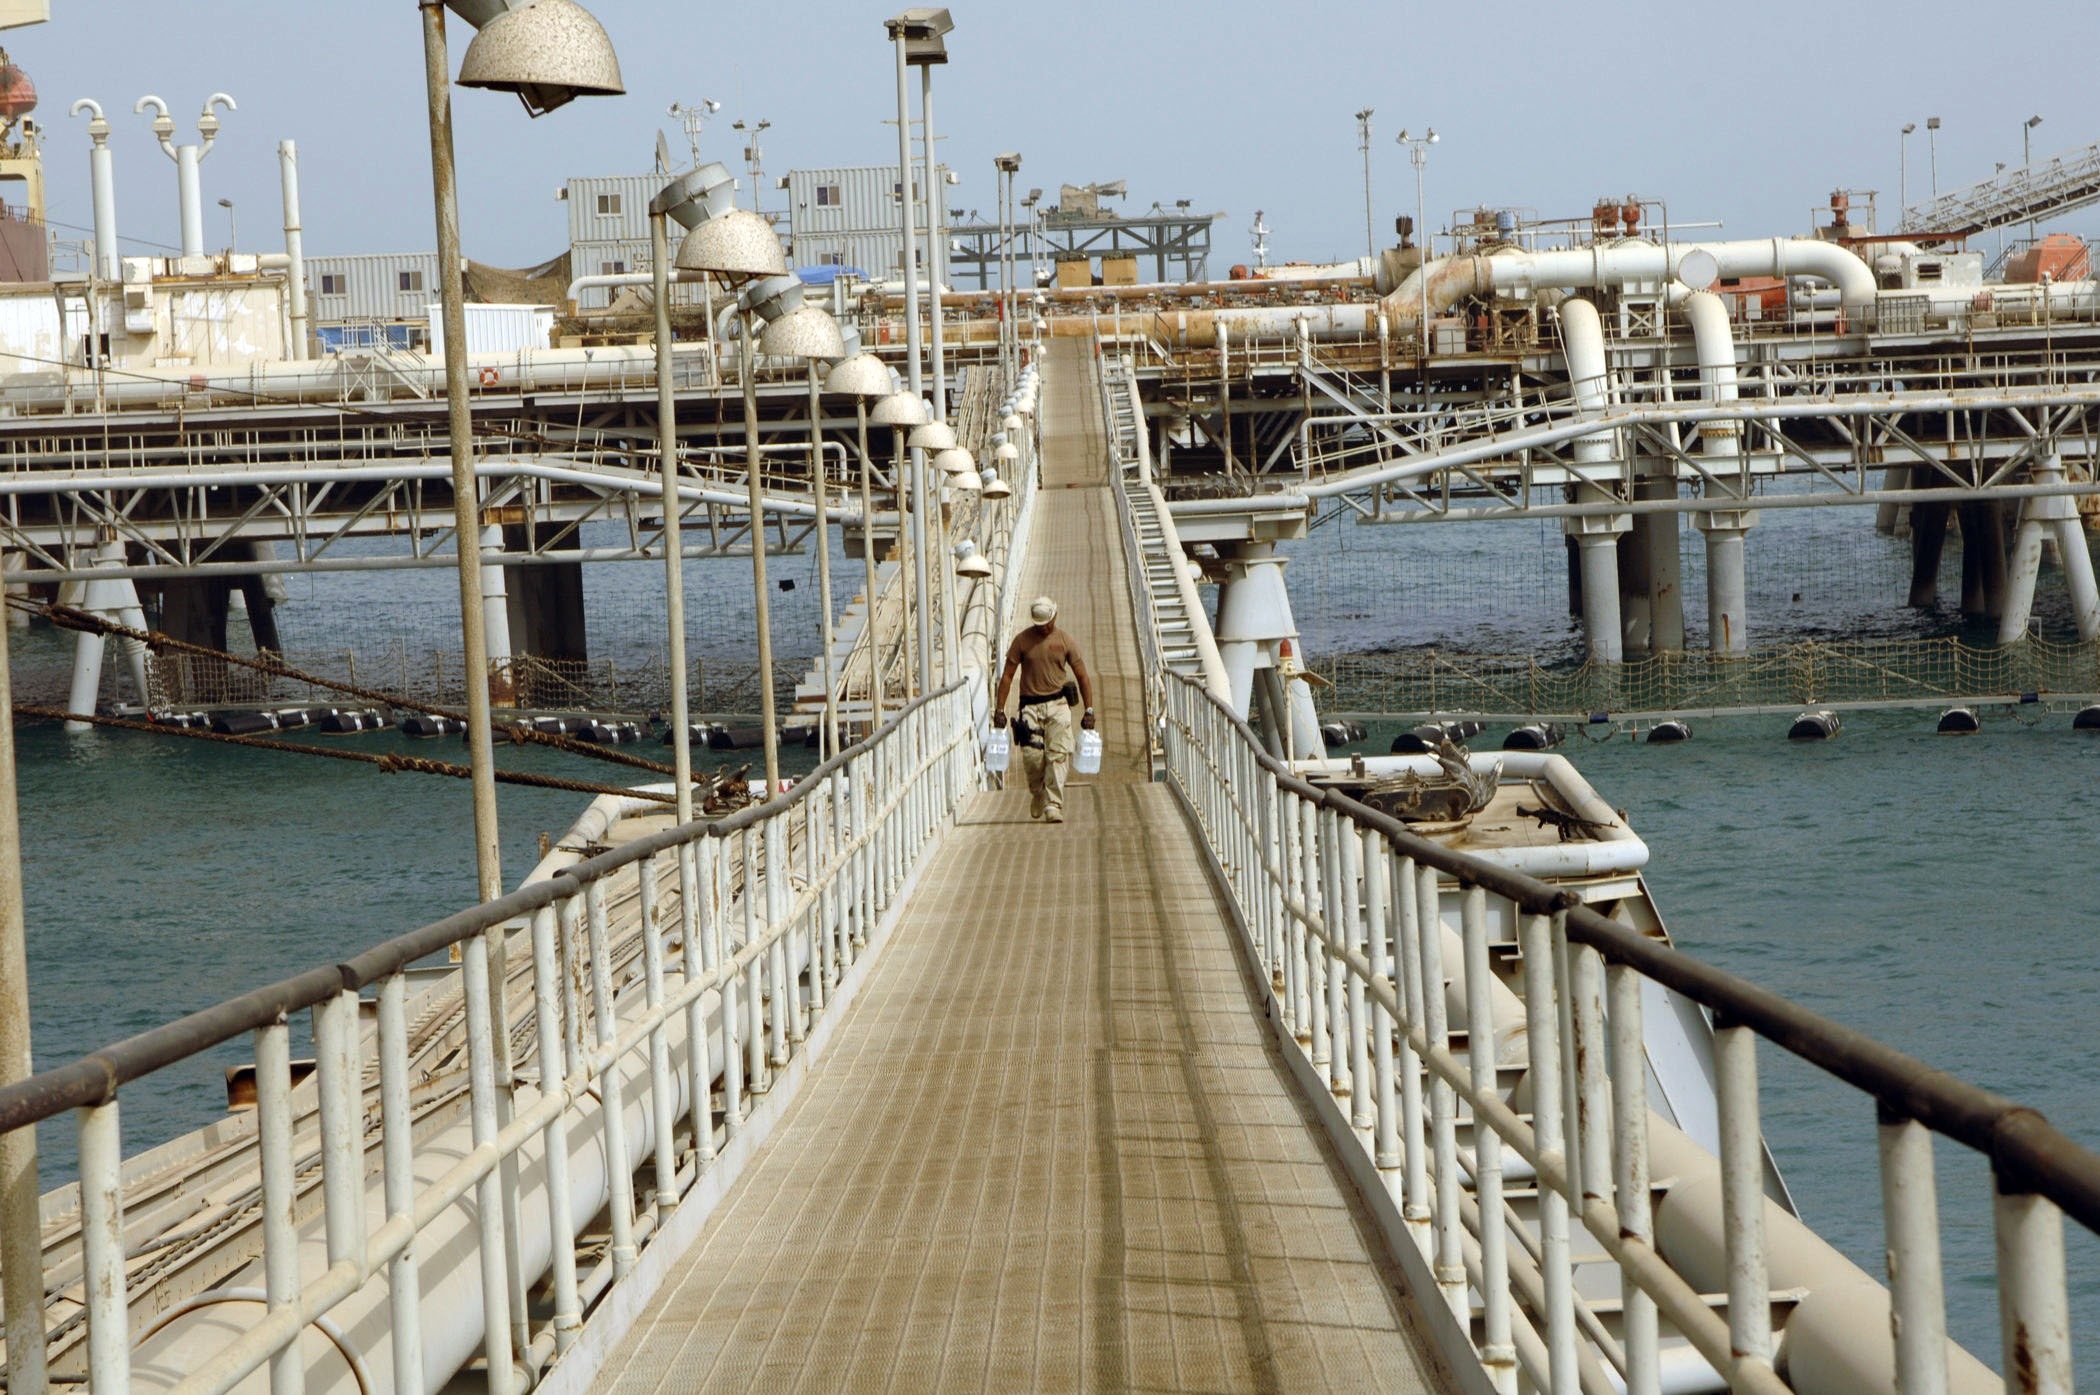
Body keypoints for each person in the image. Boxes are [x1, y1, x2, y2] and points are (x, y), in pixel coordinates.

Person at [993, 595, 1096, 823]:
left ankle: (1053, 804)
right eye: (1039, 625)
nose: (1044, 628)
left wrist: (1089, 711)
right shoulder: (1021, 641)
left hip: (1058, 705)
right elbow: (1008, 676)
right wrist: (999, 710)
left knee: (1058, 754)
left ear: (1055, 616)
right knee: (1032, 758)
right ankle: (1038, 793)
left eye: (1047, 623)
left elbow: (1082, 675)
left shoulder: (1065, 641)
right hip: (1029, 706)